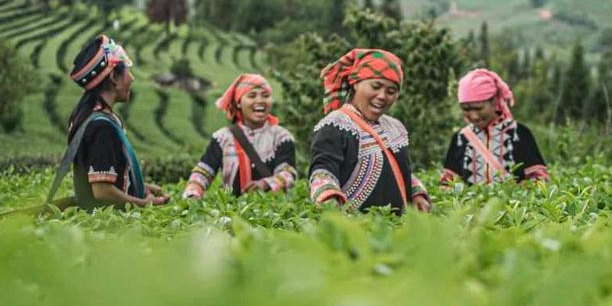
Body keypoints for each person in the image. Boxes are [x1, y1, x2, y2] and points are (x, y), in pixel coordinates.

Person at [308, 49, 431, 214]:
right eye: (376, 86)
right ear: (355, 82)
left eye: (391, 91)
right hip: (357, 230)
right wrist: (328, 199)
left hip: (399, 231)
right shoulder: (335, 126)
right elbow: (322, 171)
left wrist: (417, 194)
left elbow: (404, 172)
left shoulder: (395, 128)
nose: (382, 96)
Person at [65, 35, 169, 210]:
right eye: (128, 70)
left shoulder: (90, 116)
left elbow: (106, 183)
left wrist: (140, 188)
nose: (132, 78)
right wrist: (144, 204)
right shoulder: (102, 127)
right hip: (105, 227)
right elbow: (102, 191)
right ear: (113, 76)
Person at [183, 74, 297, 199]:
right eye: (252, 96)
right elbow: (204, 171)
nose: (260, 100)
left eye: (265, 96)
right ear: (238, 103)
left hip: (274, 212)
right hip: (232, 212)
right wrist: (193, 193)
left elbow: (287, 172)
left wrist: (265, 184)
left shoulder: (282, 137)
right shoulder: (223, 138)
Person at [440, 69, 549, 186]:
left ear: (494, 101)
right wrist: (460, 198)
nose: (473, 116)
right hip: (472, 204)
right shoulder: (460, 138)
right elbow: (450, 182)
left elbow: (539, 178)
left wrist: (517, 193)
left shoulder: (519, 134)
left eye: (478, 108)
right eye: (466, 109)